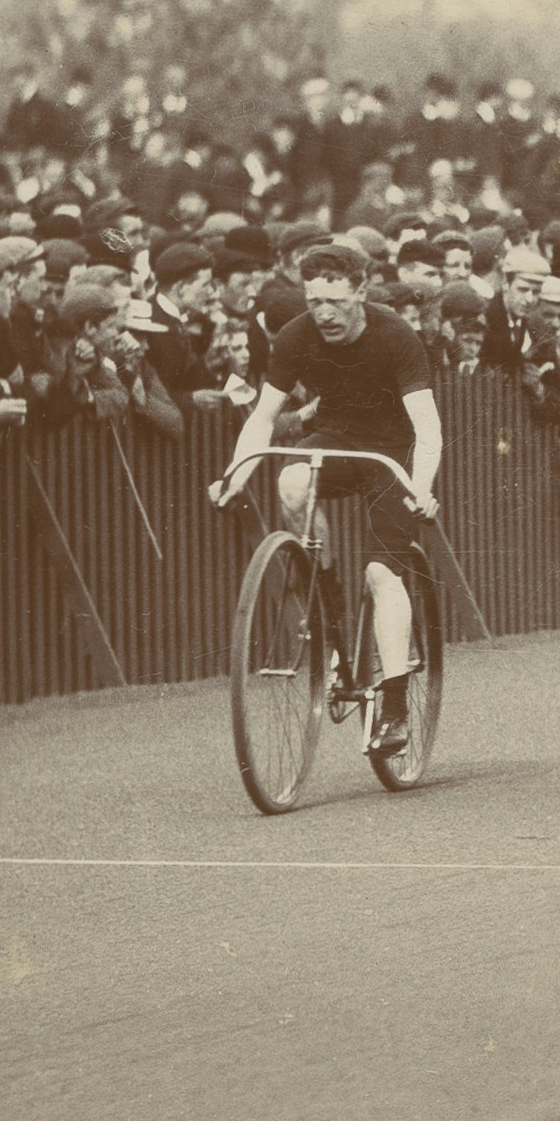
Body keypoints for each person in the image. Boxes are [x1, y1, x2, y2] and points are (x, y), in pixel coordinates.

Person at [215, 243, 445, 757]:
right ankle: (327, 596)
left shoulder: (396, 337)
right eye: (315, 300)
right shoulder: (297, 336)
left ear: (361, 292)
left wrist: (422, 486)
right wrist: (235, 476)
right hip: (337, 438)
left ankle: (393, 709)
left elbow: (427, 427)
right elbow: (261, 418)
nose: (324, 313)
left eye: (336, 302)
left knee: (382, 575)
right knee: (290, 482)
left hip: (393, 452)